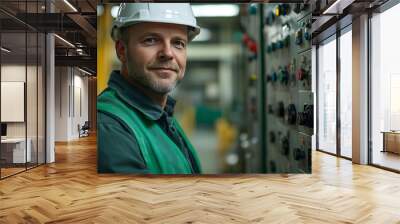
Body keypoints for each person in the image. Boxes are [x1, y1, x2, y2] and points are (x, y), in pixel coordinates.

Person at [97, 3, 202, 174]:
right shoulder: (109, 129)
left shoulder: (161, 116)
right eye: (151, 40)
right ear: (122, 50)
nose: (168, 53)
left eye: (178, 43)